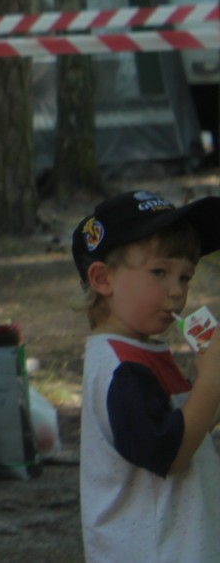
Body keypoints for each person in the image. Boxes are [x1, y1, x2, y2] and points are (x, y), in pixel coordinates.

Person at [72, 190, 220, 562]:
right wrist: (211, 381)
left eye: (185, 277)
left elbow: (189, 424)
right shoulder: (121, 368)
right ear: (103, 279)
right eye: (160, 272)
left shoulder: (141, 354)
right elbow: (171, 452)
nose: (177, 291)